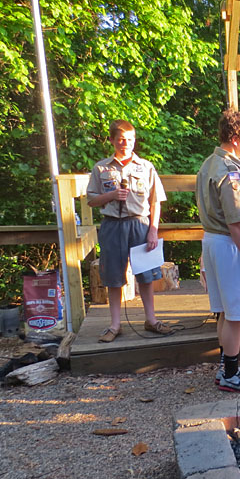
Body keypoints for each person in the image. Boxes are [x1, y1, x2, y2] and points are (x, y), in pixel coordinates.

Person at [196, 109, 240, 392]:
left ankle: (225, 367)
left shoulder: (212, 164)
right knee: (236, 314)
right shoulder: (230, 172)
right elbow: (236, 223)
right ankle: (231, 375)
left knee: (224, 311)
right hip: (230, 245)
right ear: (237, 138)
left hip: (213, 241)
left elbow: (226, 201)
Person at [87, 120, 173, 343]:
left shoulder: (145, 167)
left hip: (140, 225)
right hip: (112, 225)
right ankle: (115, 325)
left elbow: (156, 201)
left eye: (130, 139)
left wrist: (153, 230)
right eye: (121, 139)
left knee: (146, 275)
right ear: (112, 140)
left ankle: (151, 320)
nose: (126, 143)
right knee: (113, 277)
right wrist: (111, 196)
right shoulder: (101, 168)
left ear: (135, 140)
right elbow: (91, 200)